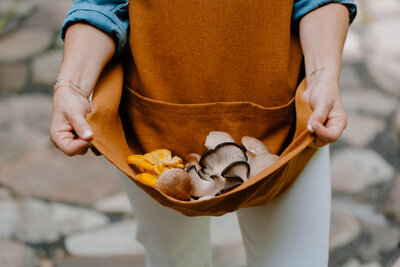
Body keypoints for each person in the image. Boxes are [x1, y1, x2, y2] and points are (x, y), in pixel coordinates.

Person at [50, 1, 357, 266]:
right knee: (175, 260)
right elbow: (102, 4)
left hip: (287, 124)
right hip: (152, 121)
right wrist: (72, 86)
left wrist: (322, 77)